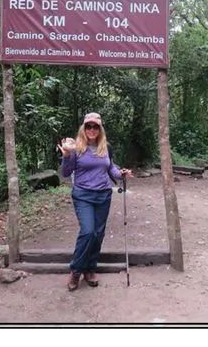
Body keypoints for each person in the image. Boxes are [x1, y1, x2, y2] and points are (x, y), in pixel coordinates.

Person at [56, 112, 131, 291]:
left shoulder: (105, 147)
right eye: (88, 126)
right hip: (83, 195)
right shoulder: (75, 148)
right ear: (84, 128)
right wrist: (66, 156)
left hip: (103, 195)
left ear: (100, 129)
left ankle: (90, 268)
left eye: (95, 126)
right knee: (88, 232)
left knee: (98, 234)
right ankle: (76, 271)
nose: (91, 129)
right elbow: (66, 173)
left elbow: (110, 168)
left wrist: (120, 174)